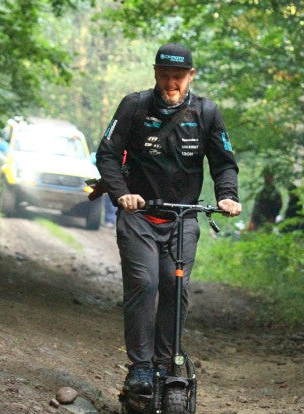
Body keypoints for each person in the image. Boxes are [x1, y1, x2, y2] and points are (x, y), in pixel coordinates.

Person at [95, 43, 242, 395]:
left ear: (191, 75)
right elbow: (108, 155)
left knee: (175, 288)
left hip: (183, 218)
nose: (170, 84)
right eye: (164, 75)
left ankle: (164, 363)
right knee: (144, 283)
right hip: (139, 215)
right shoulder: (134, 105)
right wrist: (122, 194)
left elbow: (224, 163)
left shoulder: (207, 113)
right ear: (155, 73)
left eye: (178, 77)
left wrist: (228, 196)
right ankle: (141, 368)